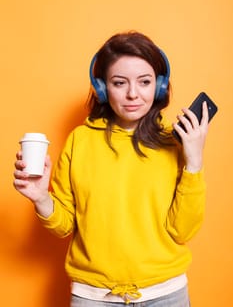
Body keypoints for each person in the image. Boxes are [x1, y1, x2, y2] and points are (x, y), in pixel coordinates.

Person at [14, 31, 209, 307]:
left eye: (145, 82)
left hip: (166, 295)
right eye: (119, 82)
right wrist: (41, 197)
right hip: (93, 297)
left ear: (160, 86)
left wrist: (194, 161)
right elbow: (64, 226)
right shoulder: (79, 141)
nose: (133, 94)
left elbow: (183, 231)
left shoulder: (175, 142)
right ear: (102, 88)